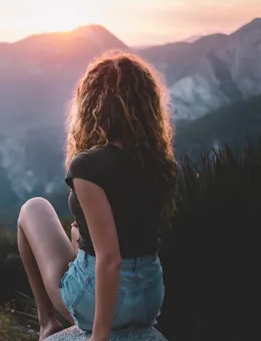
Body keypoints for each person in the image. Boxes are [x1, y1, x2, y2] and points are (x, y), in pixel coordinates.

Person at [17, 51, 178, 341]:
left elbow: (110, 258)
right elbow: (130, 236)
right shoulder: (157, 161)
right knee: (79, 242)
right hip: (149, 297)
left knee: (33, 208)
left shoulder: (88, 166)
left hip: (103, 304)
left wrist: (99, 336)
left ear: (93, 105)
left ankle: (47, 323)